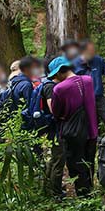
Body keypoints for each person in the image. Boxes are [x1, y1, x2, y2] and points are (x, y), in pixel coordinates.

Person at [51, 65, 98, 197]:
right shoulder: (88, 80)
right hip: (91, 131)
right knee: (89, 163)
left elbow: (56, 112)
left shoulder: (59, 88)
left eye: (55, 76)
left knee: (76, 168)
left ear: (60, 72)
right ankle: (91, 194)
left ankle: (84, 198)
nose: (56, 79)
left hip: (73, 134)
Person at [43, 56, 73, 199]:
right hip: (55, 129)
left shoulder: (49, 85)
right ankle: (56, 192)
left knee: (55, 159)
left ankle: (49, 187)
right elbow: (54, 110)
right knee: (58, 160)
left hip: (54, 128)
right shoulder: (50, 87)